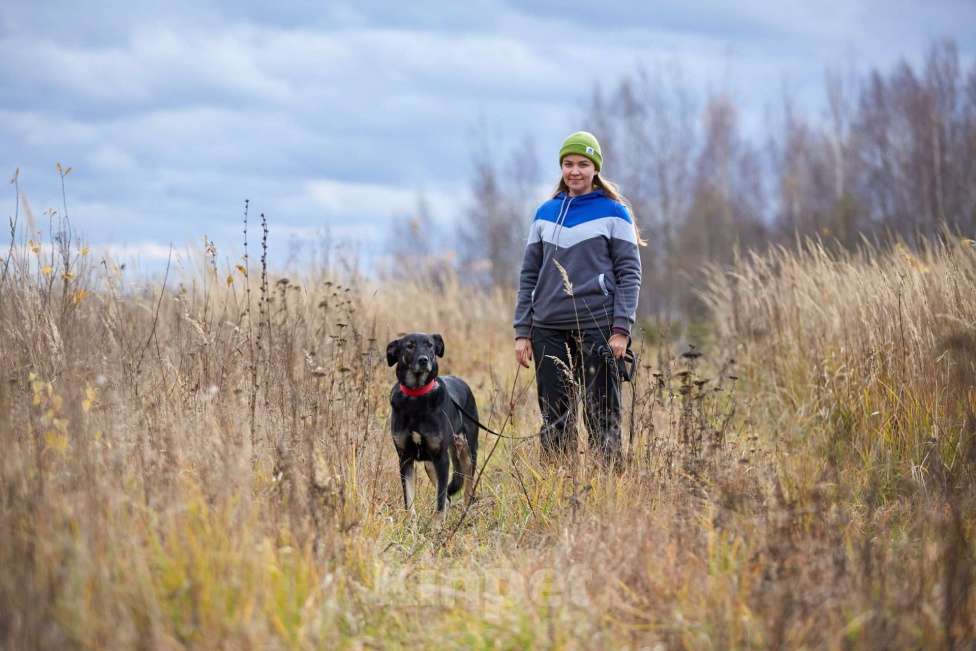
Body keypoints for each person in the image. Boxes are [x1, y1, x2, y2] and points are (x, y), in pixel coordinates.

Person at [513, 130, 642, 467]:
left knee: (601, 413)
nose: (575, 171)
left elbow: (630, 274)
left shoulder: (616, 213)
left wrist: (621, 329)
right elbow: (529, 276)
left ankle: (610, 484)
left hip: (597, 323)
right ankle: (557, 481)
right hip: (547, 326)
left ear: (595, 168)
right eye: (568, 164)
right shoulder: (544, 213)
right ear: (561, 167)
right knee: (555, 416)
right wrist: (522, 331)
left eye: (583, 164)